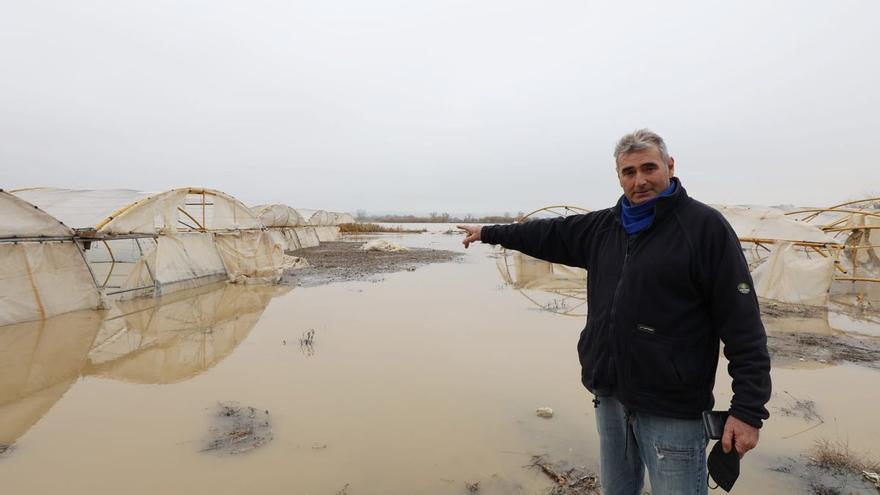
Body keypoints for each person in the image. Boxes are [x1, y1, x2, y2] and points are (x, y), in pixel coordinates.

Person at [458, 129, 771, 495]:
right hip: (610, 398)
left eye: (649, 168)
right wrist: (488, 232)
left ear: (669, 166)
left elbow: (743, 326)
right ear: (619, 176)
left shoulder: (704, 228)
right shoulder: (604, 227)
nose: (640, 180)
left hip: (672, 409)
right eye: (629, 172)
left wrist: (747, 410)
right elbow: (546, 234)